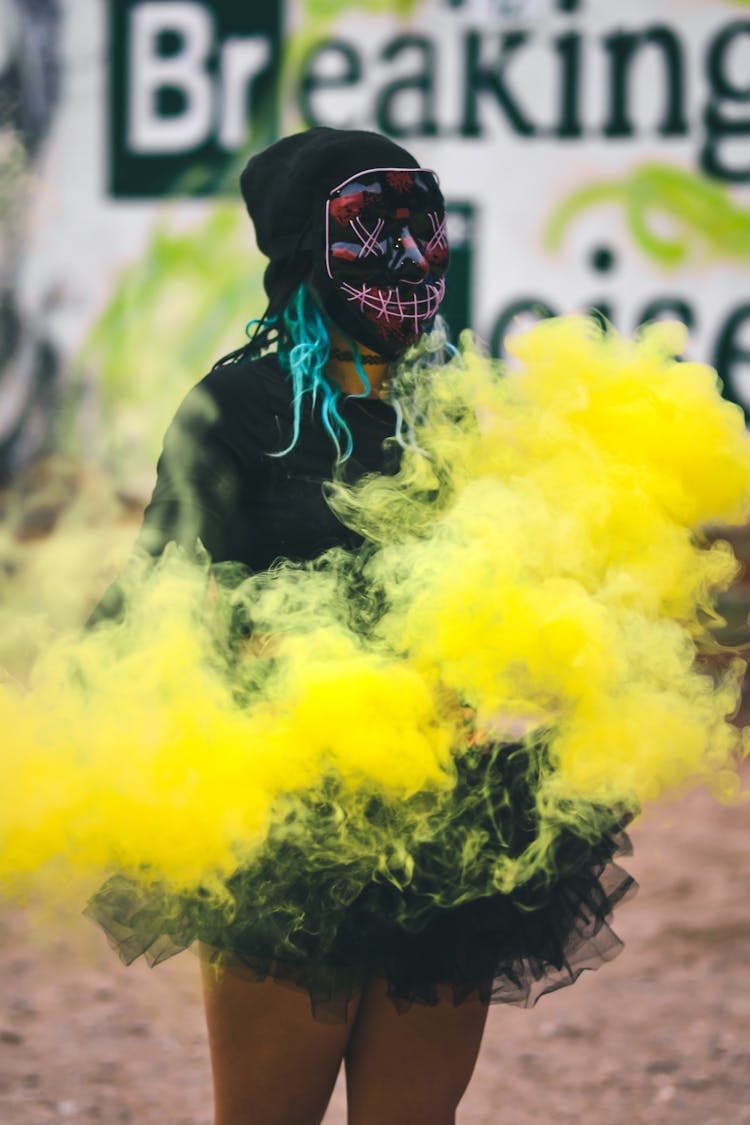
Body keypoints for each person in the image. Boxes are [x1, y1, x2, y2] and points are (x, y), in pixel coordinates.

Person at [87, 127, 633, 1125]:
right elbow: (151, 603)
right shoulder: (240, 407)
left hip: (446, 813)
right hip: (290, 822)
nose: (409, 256)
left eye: (422, 227)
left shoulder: (450, 411)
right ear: (310, 250)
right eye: (376, 230)